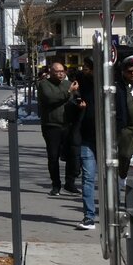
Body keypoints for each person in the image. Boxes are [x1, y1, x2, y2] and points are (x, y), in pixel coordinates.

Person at [38, 60, 81, 196]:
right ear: (51, 72)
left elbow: (76, 98)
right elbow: (52, 99)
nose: (60, 74)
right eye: (57, 72)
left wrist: (79, 103)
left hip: (68, 124)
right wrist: (69, 92)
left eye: (62, 71)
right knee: (53, 156)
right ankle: (55, 184)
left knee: (71, 155)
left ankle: (70, 182)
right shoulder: (44, 84)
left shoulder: (69, 85)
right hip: (51, 125)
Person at [72, 59, 96, 229]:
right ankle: (89, 216)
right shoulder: (81, 85)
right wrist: (76, 98)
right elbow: (71, 105)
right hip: (87, 136)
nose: (86, 71)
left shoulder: (110, 85)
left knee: (110, 177)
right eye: (85, 69)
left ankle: (113, 211)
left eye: (89, 68)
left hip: (106, 138)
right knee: (88, 178)